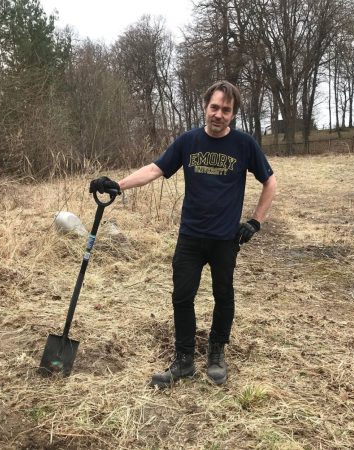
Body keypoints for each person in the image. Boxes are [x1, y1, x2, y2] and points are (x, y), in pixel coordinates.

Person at [90, 80, 277, 387]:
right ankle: (185, 359)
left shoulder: (244, 145)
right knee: (182, 296)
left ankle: (216, 354)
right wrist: (118, 185)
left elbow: (270, 182)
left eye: (226, 110)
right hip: (191, 236)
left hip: (225, 238)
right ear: (206, 107)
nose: (218, 115)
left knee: (223, 295)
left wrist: (255, 222)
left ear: (233, 114)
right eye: (214, 107)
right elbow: (155, 169)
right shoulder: (188, 142)